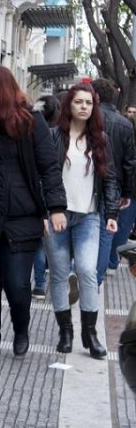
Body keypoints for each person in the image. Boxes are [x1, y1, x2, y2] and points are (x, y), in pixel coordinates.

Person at [0, 66, 67, 370]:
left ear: (2, 90)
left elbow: (49, 167)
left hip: (22, 218)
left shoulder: (30, 123)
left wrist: (56, 207)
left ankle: (21, 328)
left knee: (18, 285)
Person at [46, 83, 118, 358]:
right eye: (79, 102)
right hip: (58, 216)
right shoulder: (54, 137)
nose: (84, 107)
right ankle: (66, 331)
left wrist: (111, 214)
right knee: (60, 273)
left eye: (89, 103)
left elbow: (109, 179)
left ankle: (91, 334)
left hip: (89, 216)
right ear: (69, 105)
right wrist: (48, 211)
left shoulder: (101, 139)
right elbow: (45, 177)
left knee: (88, 271)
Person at [91, 79, 136, 287]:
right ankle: (97, 279)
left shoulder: (88, 119)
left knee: (82, 230)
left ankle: (80, 271)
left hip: (87, 182)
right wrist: (126, 192)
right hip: (113, 185)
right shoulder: (125, 124)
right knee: (105, 234)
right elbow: (129, 163)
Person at [30, 95, 61, 300]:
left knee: (39, 242)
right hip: (55, 192)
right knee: (54, 240)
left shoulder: (33, 131)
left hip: (35, 190)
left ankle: (39, 285)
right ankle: (60, 278)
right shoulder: (60, 135)